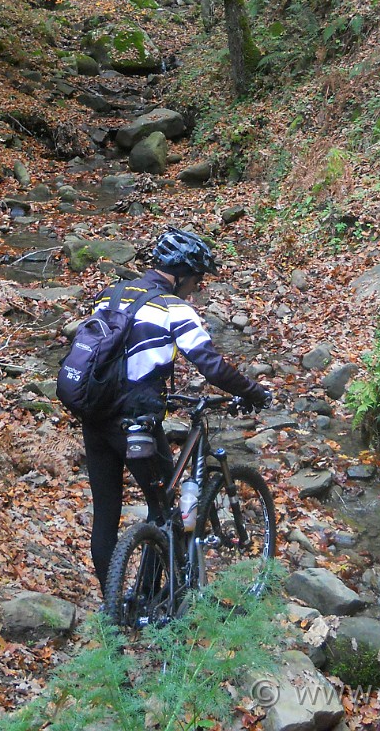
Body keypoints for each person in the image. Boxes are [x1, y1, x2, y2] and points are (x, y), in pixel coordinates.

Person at [81, 227, 271, 592]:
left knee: (105, 514)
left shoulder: (111, 294)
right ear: (181, 273)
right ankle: (150, 600)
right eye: (197, 278)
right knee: (164, 509)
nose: (197, 286)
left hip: (95, 414)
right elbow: (209, 363)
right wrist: (254, 392)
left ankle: (112, 609)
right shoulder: (173, 308)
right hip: (136, 420)